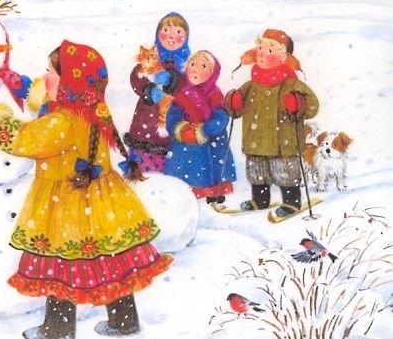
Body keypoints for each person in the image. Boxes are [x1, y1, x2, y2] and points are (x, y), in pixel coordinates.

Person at [0, 41, 170, 339]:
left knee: (60, 263)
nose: (44, 77)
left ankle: (58, 329)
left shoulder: (62, 120)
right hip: (102, 201)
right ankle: (123, 320)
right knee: (110, 260)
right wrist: (38, 97)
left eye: (50, 73)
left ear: (68, 84)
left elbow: (26, 139)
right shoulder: (91, 109)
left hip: (67, 203)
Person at [225, 29, 319, 218]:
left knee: (285, 172)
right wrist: (233, 102)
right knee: (257, 171)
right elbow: (236, 111)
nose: (262, 53)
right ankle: (259, 200)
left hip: (283, 142)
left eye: (269, 50)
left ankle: (291, 201)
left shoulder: (292, 84)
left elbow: (313, 106)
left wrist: (299, 104)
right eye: (260, 48)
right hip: (255, 140)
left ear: (283, 56)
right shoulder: (251, 85)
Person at [164, 50, 236, 203]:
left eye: (203, 66)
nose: (195, 69)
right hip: (185, 143)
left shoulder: (215, 94)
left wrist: (205, 130)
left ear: (212, 73)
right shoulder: (181, 94)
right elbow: (172, 116)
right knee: (184, 170)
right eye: (192, 64)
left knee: (212, 168)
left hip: (211, 143)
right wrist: (180, 129)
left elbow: (221, 118)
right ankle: (185, 192)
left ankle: (213, 193)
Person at [124, 12, 190, 172]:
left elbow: (188, 86)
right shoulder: (150, 55)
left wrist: (174, 82)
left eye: (178, 32)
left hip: (171, 114)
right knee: (143, 145)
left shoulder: (186, 62)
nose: (171, 36)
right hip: (146, 114)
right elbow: (136, 76)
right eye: (166, 30)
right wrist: (148, 89)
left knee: (169, 146)